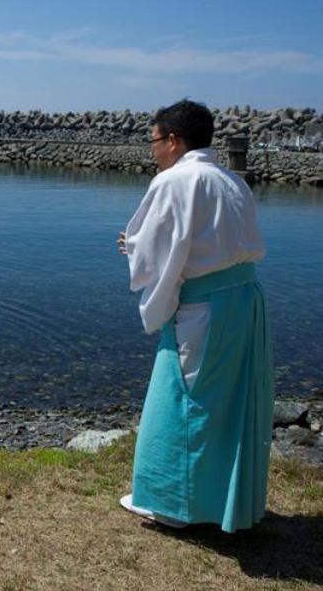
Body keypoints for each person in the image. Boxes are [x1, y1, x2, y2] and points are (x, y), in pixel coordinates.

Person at [118, 100, 272, 533]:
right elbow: (207, 239)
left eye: (153, 140)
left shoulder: (174, 180)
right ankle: (226, 500)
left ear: (172, 140)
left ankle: (171, 504)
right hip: (245, 299)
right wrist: (140, 245)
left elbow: (159, 250)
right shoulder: (230, 179)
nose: (151, 150)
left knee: (182, 400)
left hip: (204, 305)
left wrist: (133, 247)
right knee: (232, 403)